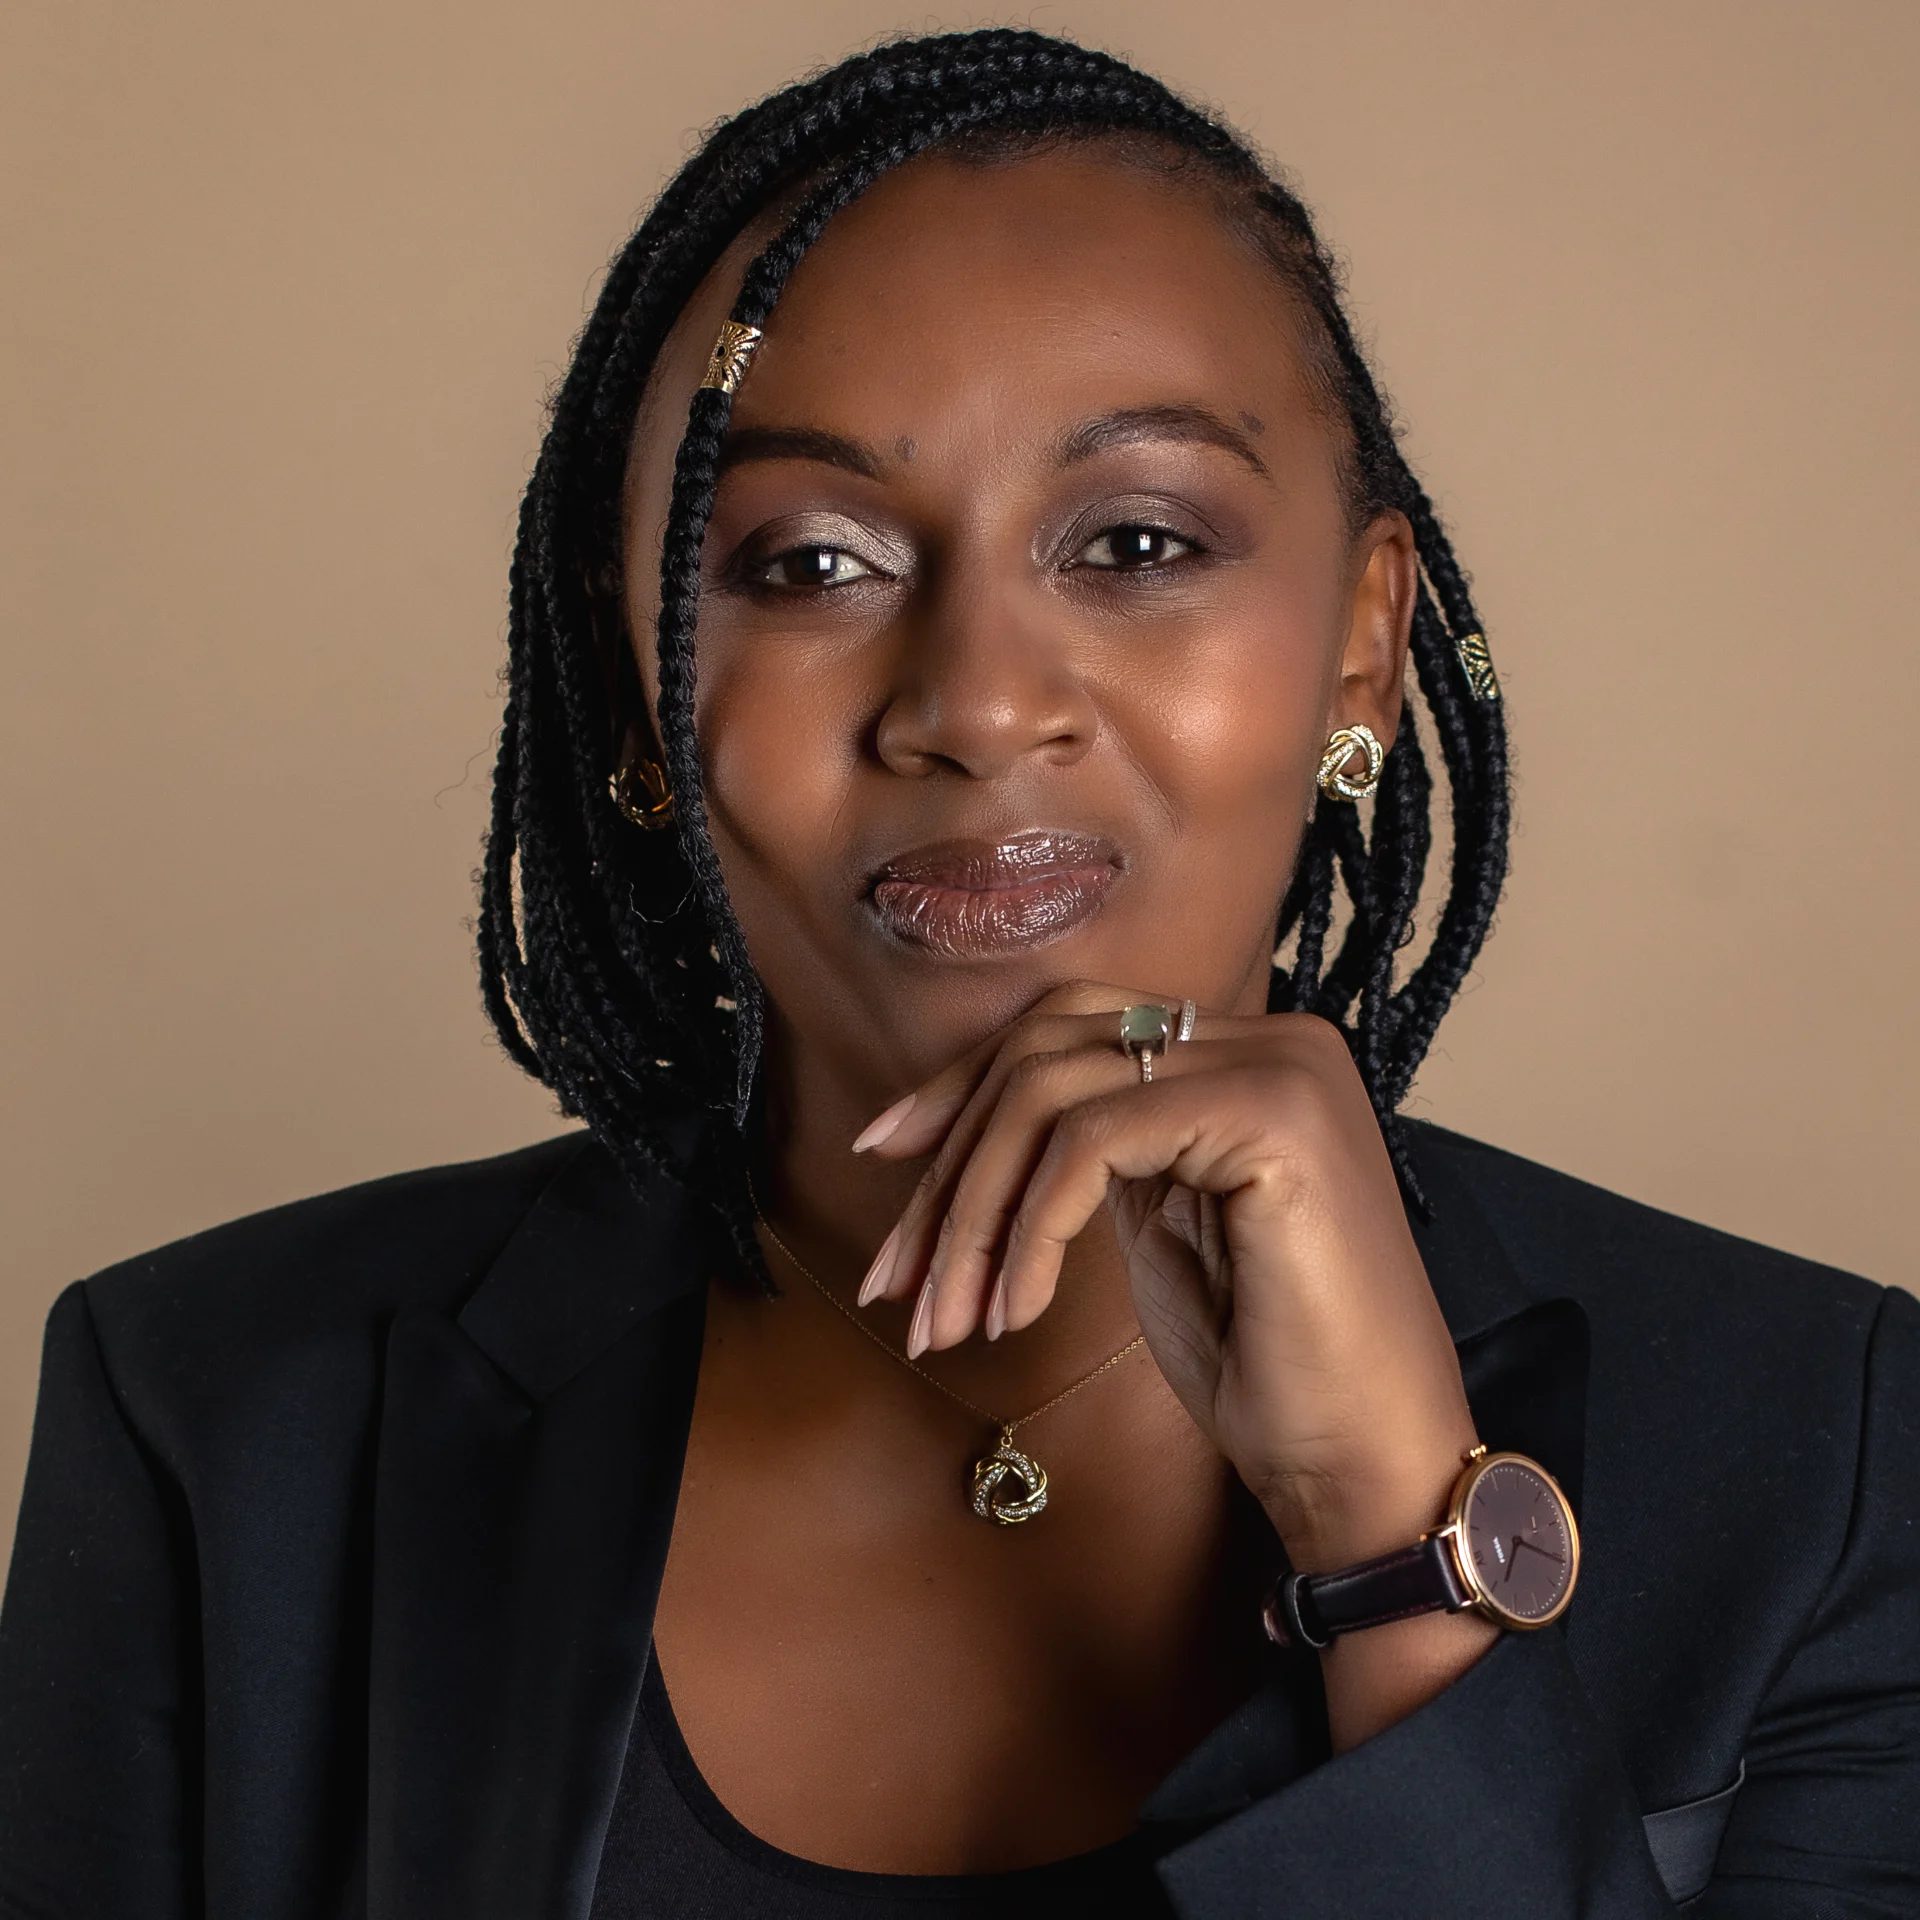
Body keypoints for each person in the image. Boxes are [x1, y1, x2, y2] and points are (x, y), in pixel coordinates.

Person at [1, 25, 1914, 1920]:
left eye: (1138, 540)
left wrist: (1399, 1546)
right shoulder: (213, 1424)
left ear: (1360, 645)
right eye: (810, 564)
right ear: (642, 687)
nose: (979, 705)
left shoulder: (1823, 1458)